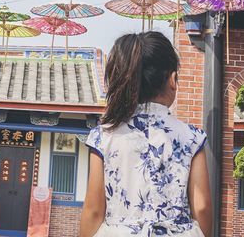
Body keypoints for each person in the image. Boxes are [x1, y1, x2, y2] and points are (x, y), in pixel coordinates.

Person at [79, 31, 212, 237]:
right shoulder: (192, 137)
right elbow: (201, 207)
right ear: (173, 79)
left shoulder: (103, 136)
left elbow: (94, 211)